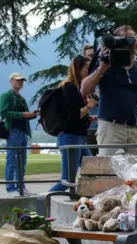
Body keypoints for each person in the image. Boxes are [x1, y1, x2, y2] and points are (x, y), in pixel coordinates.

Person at [81, 25, 137, 156]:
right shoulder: (105, 66)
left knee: (135, 170)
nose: (128, 43)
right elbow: (85, 89)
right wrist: (101, 69)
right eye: (122, 39)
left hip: (134, 128)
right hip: (110, 127)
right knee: (111, 170)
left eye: (131, 39)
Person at [50, 56, 97, 192]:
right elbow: (74, 115)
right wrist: (90, 106)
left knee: (91, 170)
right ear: (78, 69)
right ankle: (42, 202)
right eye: (87, 68)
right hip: (70, 137)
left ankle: (85, 196)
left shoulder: (76, 89)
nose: (89, 71)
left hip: (79, 137)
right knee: (67, 180)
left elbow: (74, 116)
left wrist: (88, 118)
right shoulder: (69, 88)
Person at [0, 72, 39, 196]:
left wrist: (33, 114)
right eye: (17, 80)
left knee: (22, 162)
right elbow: (4, 112)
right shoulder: (6, 95)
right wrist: (22, 114)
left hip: (23, 132)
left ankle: (21, 187)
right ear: (11, 81)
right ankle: (11, 188)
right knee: (12, 160)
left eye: (21, 80)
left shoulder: (21, 98)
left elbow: (25, 114)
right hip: (13, 131)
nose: (20, 82)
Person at [82, 44, 99, 155]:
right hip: (89, 126)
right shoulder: (83, 79)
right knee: (90, 160)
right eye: (89, 56)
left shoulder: (103, 74)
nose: (91, 58)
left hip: (105, 124)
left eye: (94, 55)